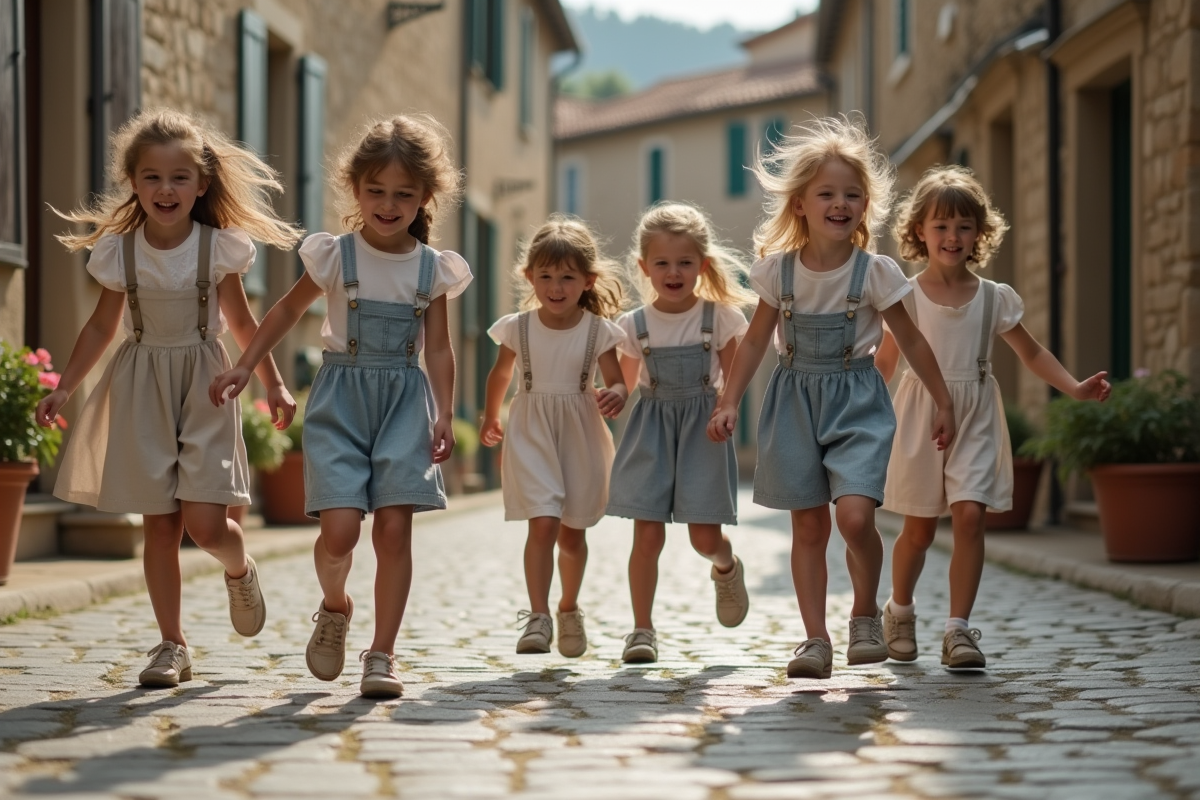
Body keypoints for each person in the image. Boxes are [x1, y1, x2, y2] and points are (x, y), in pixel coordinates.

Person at [35, 109, 301, 688]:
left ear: (201, 184)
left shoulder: (218, 249)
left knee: (205, 525)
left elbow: (242, 319)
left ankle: (239, 566)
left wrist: (273, 382)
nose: (166, 189)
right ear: (134, 182)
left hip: (208, 381)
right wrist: (65, 388)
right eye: (152, 177)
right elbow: (100, 329)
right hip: (141, 382)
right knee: (159, 524)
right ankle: (170, 645)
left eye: (180, 177)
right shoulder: (119, 253)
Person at [209, 114, 469, 698]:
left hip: (405, 401)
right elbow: (281, 312)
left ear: (426, 197)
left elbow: (442, 348)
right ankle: (335, 605)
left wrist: (446, 413)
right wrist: (247, 366)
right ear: (355, 189)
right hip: (341, 400)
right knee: (340, 534)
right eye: (375, 190)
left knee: (395, 529)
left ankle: (383, 654)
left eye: (404, 193)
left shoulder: (433, 269)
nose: (388, 203)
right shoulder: (333, 256)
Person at [708, 115, 956, 680]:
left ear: (864, 205)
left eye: (852, 195)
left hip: (858, 399)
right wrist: (728, 401)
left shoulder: (876, 272)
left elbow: (911, 340)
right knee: (809, 528)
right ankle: (815, 639)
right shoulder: (778, 273)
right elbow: (750, 345)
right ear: (800, 204)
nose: (839, 204)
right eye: (826, 194)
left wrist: (941, 400)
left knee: (853, 516)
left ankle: (865, 613)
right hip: (793, 398)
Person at [876, 164, 1110, 669]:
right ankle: (899, 610)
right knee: (917, 531)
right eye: (940, 226)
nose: (952, 236)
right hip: (920, 414)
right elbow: (886, 363)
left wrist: (1073, 387)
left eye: (964, 226)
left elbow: (1031, 353)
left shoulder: (993, 297)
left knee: (970, 515)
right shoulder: (906, 298)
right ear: (919, 231)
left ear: (980, 233)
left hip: (977, 413)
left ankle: (958, 631)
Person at [607, 202, 754, 664]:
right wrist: (610, 393)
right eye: (663, 263)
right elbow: (626, 383)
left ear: (702, 265)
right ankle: (641, 630)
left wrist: (728, 410)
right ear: (644, 267)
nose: (674, 272)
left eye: (685, 263)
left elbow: (735, 378)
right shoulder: (633, 325)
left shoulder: (721, 318)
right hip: (650, 427)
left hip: (701, 429)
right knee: (646, 536)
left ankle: (726, 567)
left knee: (703, 539)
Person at [480, 215, 627, 658]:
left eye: (567, 277)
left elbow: (617, 380)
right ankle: (538, 615)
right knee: (542, 521)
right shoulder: (517, 327)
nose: (556, 286)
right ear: (530, 277)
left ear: (587, 280)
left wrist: (616, 394)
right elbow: (500, 374)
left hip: (580, 431)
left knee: (572, 533)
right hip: (531, 429)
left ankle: (568, 607)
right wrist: (491, 416)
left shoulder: (598, 331)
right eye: (545, 276)